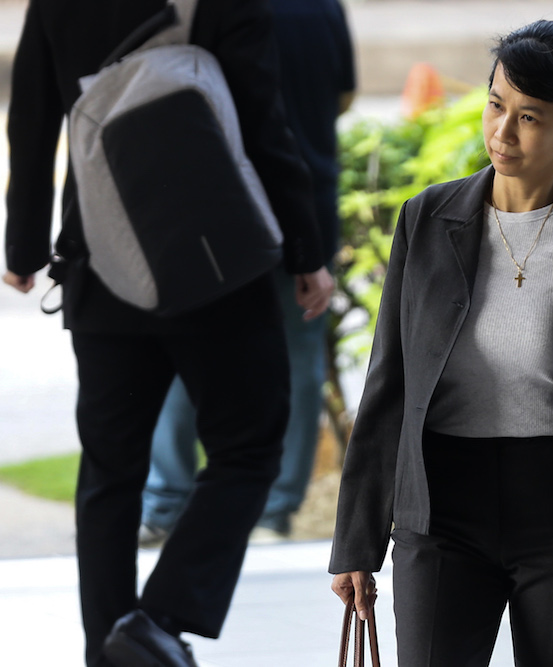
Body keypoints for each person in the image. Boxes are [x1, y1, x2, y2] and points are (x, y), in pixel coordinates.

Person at [329, 20, 553, 666]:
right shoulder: (427, 219)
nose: (502, 132)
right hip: (440, 513)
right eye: (496, 105)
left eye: (529, 117)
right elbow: (390, 385)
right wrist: (356, 541)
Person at [2, 0, 335, 665]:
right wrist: (307, 251)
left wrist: (24, 246)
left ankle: (111, 650)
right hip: (217, 268)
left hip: (102, 260)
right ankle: (159, 619)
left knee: (110, 471)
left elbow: (32, 119)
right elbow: (263, 125)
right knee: (249, 444)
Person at [141, 0, 357, 544]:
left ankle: (166, 500)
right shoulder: (323, 8)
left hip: (219, 209)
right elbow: (344, 96)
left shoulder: (212, 8)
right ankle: (275, 510)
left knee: (183, 347)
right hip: (309, 204)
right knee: (299, 357)